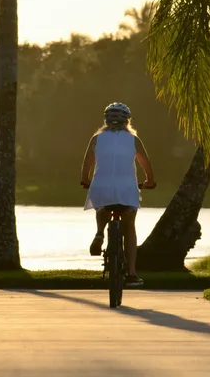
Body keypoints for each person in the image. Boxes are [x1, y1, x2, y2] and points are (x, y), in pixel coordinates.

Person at [80, 102, 155, 286]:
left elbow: (87, 163)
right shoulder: (133, 140)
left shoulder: (97, 139)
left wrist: (85, 180)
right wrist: (149, 182)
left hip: (101, 186)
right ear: (127, 121)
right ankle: (131, 273)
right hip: (127, 188)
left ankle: (99, 234)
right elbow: (146, 164)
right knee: (129, 226)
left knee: (103, 206)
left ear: (106, 120)